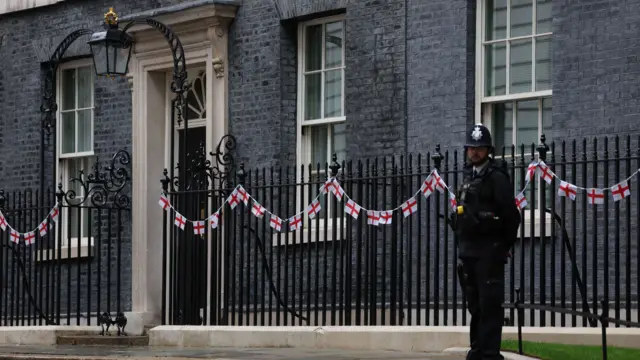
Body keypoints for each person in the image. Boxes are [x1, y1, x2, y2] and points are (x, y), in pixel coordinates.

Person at [452, 124, 521, 360]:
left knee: (490, 307)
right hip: (469, 253)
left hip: (489, 254)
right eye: (471, 148)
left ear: (488, 150)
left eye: (479, 148)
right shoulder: (467, 178)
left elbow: (512, 217)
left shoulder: (497, 178)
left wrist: (502, 247)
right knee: (476, 307)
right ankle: (478, 350)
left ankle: (490, 354)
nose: (475, 153)